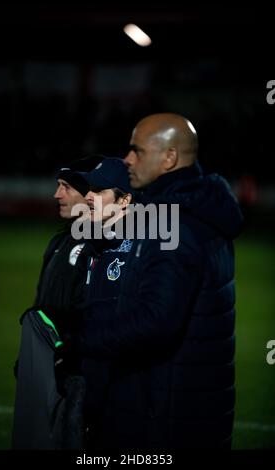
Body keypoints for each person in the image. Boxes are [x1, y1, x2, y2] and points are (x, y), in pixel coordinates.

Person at [70, 113, 244, 450]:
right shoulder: (196, 212)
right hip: (185, 406)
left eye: (137, 151)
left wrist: (75, 340)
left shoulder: (175, 224)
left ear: (169, 158)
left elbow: (156, 320)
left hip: (164, 417)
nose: (127, 159)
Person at [12, 156, 132, 449]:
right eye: (89, 188)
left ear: (125, 200)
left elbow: (136, 324)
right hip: (73, 369)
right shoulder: (83, 243)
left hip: (96, 379)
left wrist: (73, 349)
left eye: (98, 191)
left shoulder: (132, 251)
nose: (89, 197)